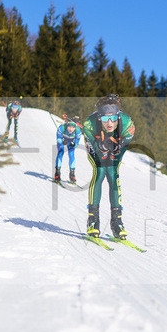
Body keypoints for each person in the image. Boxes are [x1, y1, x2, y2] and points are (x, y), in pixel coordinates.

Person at [81, 94, 135, 238]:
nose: (110, 123)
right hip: (96, 146)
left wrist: (118, 147)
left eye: (113, 118)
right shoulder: (89, 124)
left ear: (119, 115)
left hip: (115, 147)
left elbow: (123, 147)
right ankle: (93, 220)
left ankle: (117, 221)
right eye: (105, 119)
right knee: (99, 172)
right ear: (99, 118)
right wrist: (100, 146)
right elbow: (93, 148)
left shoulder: (128, 124)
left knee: (112, 173)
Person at [55, 114, 81, 183]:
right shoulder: (61, 128)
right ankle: (57, 173)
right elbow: (58, 138)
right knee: (60, 153)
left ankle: (72, 174)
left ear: (75, 127)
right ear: (67, 125)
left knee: (71, 155)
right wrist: (62, 141)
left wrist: (74, 144)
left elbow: (77, 143)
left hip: (71, 141)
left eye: (73, 127)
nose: (71, 129)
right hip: (62, 140)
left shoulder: (78, 131)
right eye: (69, 127)